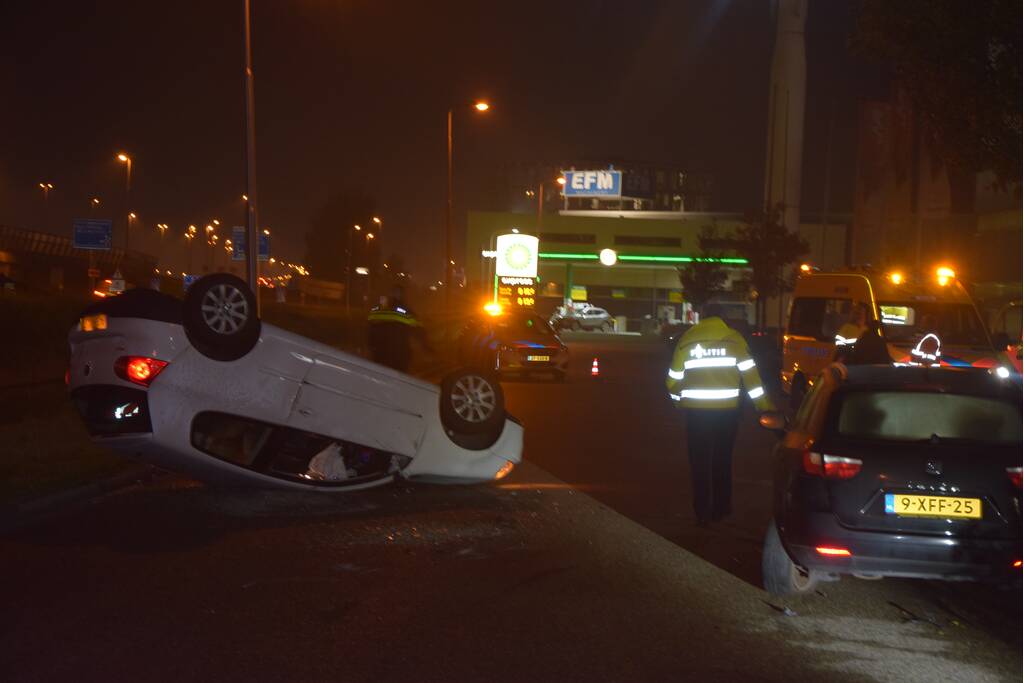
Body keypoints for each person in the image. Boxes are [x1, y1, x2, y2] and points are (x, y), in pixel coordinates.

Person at [666, 305, 775, 527]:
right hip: (727, 413)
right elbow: (752, 379)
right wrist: (764, 407)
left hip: (696, 414)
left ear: (702, 317)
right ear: (723, 318)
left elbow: (672, 380)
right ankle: (722, 508)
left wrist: (679, 403)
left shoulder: (687, 339)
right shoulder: (735, 340)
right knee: (722, 459)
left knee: (699, 462)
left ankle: (702, 512)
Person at [367, 288, 427, 373]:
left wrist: (371, 346)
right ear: (402, 296)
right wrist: (425, 347)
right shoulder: (406, 312)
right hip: (399, 354)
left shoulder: (376, 310)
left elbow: (370, 328)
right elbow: (419, 329)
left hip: (379, 353)